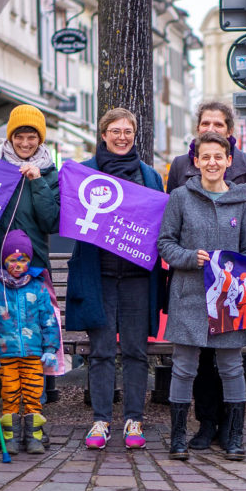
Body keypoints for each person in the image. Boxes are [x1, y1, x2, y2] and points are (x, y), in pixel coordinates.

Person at [166, 101, 246, 451]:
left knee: (231, 367)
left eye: (218, 157)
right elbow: (165, 242)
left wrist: (237, 273)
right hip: (188, 293)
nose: (211, 163)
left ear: (228, 161)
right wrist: (187, 257)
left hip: (228, 299)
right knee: (183, 367)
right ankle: (178, 435)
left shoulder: (241, 201)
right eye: (205, 157)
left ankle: (235, 436)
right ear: (195, 161)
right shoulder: (180, 197)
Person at [65, 107, 163, 450]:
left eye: (128, 132)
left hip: (138, 277)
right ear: (103, 134)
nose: (122, 137)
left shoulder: (151, 177)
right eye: (115, 131)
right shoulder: (84, 174)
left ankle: (134, 419)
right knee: (102, 350)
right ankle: (101, 421)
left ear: (135, 135)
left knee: (137, 351)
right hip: (100, 275)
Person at [0, 104, 62, 448]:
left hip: (35, 269)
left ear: (40, 139)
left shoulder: (50, 172)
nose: (25, 142)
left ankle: (33, 420)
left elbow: (51, 222)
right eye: (19, 136)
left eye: (32, 136)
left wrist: (38, 182)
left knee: (32, 341)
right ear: (9, 137)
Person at [0, 230, 61, 455]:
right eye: (12, 260)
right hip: (5, 352)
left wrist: (50, 348)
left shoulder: (37, 286)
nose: (18, 264)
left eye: (23, 259)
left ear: (29, 260)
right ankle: (11, 436)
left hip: (34, 352)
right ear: (4, 261)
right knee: (10, 394)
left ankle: (34, 435)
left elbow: (48, 319)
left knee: (34, 393)